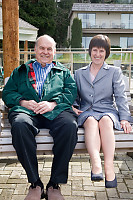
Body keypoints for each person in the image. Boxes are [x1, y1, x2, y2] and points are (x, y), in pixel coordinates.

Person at [2, 34, 78, 200]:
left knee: (70, 126)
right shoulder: (20, 71)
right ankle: (35, 184)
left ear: (55, 51)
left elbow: (71, 92)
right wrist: (22, 102)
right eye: (41, 48)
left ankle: (54, 185)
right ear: (35, 50)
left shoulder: (63, 72)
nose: (45, 52)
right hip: (28, 112)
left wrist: (53, 103)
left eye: (49, 49)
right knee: (20, 125)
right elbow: (7, 93)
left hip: (55, 111)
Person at [72, 34, 132, 188]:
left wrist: (124, 118)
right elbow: (74, 96)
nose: (97, 54)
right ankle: (96, 164)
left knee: (105, 121)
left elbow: (120, 96)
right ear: (89, 51)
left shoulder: (114, 71)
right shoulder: (79, 73)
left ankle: (109, 167)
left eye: (101, 51)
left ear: (106, 53)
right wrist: (72, 106)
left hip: (107, 110)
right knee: (91, 122)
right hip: (86, 111)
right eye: (94, 50)